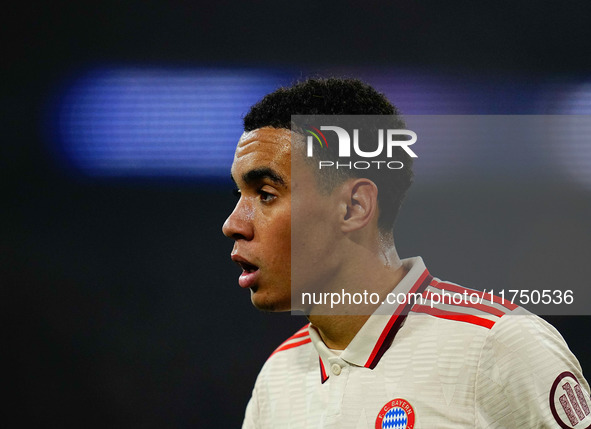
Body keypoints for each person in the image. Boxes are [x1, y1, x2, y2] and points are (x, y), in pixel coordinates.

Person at [222, 78, 590, 428]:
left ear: (353, 207)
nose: (233, 223)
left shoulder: (498, 346)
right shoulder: (277, 378)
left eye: (266, 194)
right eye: (239, 195)